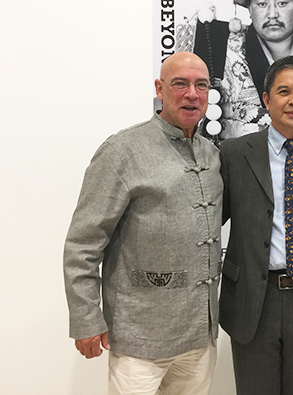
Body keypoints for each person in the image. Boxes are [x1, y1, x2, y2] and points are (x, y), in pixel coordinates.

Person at [63, 52, 223, 395]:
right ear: (159, 89)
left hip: (199, 336)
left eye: (201, 85)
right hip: (139, 337)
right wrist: (86, 318)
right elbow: (83, 243)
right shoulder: (122, 151)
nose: (192, 94)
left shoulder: (212, 155)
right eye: (180, 83)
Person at [219, 55, 293, 395]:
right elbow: (209, 221)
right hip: (253, 301)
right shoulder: (233, 154)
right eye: (284, 91)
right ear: (266, 99)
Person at [177, 0, 293, 143]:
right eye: (262, 4)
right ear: (249, 8)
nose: (272, 14)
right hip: (236, 158)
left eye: (282, 3)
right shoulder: (219, 43)